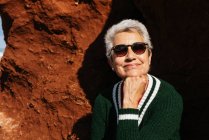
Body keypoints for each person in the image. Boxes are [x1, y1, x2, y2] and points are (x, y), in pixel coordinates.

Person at [91, 19, 183, 140]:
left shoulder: (168, 97)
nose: (130, 56)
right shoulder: (103, 100)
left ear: (149, 56)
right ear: (111, 62)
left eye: (138, 48)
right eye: (120, 50)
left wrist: (129, 105)